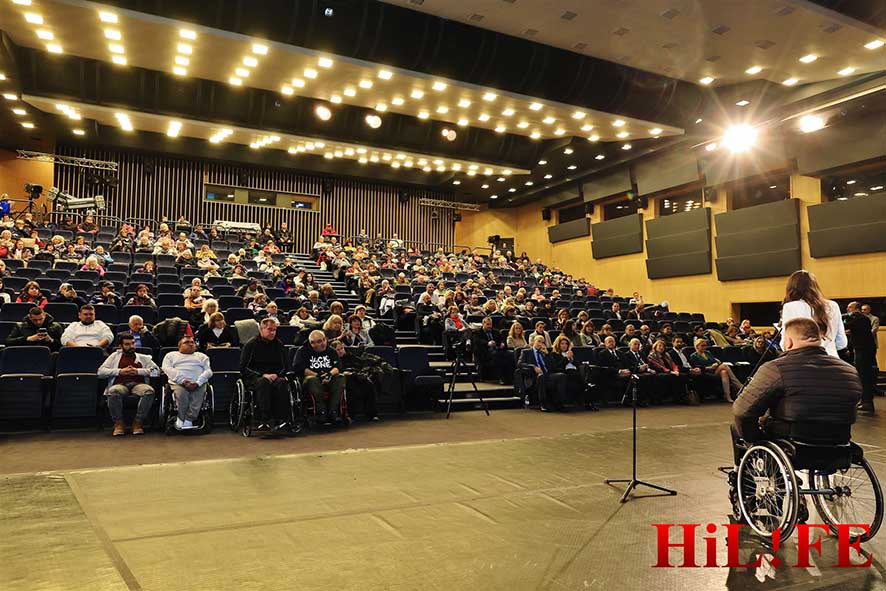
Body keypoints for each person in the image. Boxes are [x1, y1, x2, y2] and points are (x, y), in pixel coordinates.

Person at [731, 317, 862, 464]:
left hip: (795, 444)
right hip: (840, 445)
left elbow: (742, 411)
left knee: (738, 426)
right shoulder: (849, 371)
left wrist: (755, 440)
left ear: (788, 342)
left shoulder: (775, 368)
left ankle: (757, 470)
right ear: (819, 339)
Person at [98, 334, 159, 436]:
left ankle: (138, 422)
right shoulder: (114, 356)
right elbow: (100, 372)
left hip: (138, 384)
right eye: (127, 344)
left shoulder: (144, 357)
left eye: (133, 343)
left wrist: (138, 371)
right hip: (120, 384)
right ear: (120, 346)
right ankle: (118, 423)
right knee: (113, 392)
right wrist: (120, 371)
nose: (131, 346)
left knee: (149, 391)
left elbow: (157, 372)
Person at [241, 318, 292, 432]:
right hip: (257, 377)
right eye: (269, 329)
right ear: (261, 329)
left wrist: (277, 374)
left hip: (275, 376)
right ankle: (264, 419)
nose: (272, 332)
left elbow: (286, 365)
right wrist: (262, 375)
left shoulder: (279, 345)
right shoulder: (251, 345)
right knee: (263, 383)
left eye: (274, 330)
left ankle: (282, 419)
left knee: (282, 383)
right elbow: (243, 367)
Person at [780, 270, 846, 358]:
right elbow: (842, 343)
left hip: (802, 361)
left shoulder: (790, 306)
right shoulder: (833, 305)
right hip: (832, 359)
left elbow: (785, 345)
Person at [293, 329, 345, 424]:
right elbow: (299, 368)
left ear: (325, 340)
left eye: (320, 341)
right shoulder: (302, 351)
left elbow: (338, 367)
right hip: (310, 379)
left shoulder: (331, 351)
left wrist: (329, 375)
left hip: (329, 377)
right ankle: (321, 412)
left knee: (340, 377)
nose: (317, 345)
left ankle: (333, 411)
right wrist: (318, 376)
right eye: (313, 343)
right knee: (313, 380)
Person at [161, 335, 213, 431]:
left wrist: (198, 382)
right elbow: (167, 369)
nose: (190, 344)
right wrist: (183, 381)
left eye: (192, 342)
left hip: (198, 382)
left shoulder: (202, 356)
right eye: (186, 342)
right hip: (178, 383)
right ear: (179, 346)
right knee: (182, 394)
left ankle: (188, 420)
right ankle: (181, 419)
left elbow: (208, 371)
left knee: (197, 396)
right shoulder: (171, 355)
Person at [845, 301, 876, 415]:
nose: (848, 310)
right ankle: (864, 401)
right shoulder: (860, 319)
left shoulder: (860, 318)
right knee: (861, 376)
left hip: (864, 351)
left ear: (856, 309)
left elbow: (845, 324)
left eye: (850, 308)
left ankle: (867, 403)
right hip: (861, 351)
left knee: (864, 376)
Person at [518, 334, 564, 412]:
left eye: (542, 342)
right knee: (541, 376)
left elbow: (553, 367)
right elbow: (520, 364)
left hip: (548, 375)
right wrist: (533, 367)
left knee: (561, 376)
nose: (540, 344)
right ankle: (543, 404)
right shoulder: (526, 352)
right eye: (539, 341)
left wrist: (547, 354)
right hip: (534, 376)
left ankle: (559, 403)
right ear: (534, 342)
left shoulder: (545, 352)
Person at [690, 338, 742, 402]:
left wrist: (715, 364)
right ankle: (738, 385)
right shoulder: (694, 356)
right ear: (697, 346)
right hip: (706, 371)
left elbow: (716, 361)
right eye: (702, 345)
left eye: (705, 345)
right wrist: (710, 367)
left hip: (715, 370)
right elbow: (697, 367)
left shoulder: (707, 353)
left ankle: (727, 395)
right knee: (724, 366)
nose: (704, 347)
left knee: (724, 372)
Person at [473, 316, 514, 385]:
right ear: (483, 324)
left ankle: (511, 378)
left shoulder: (496, 331)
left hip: (498, 350)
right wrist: (487, 343)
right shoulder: (477, 332)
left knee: (511, 354)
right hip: (485, 352)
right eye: (487, 324)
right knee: (498, 356)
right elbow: (477, 342)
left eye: (490, 324)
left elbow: (502, 340)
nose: (489, 326)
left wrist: (502, 344)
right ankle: (501, 378)